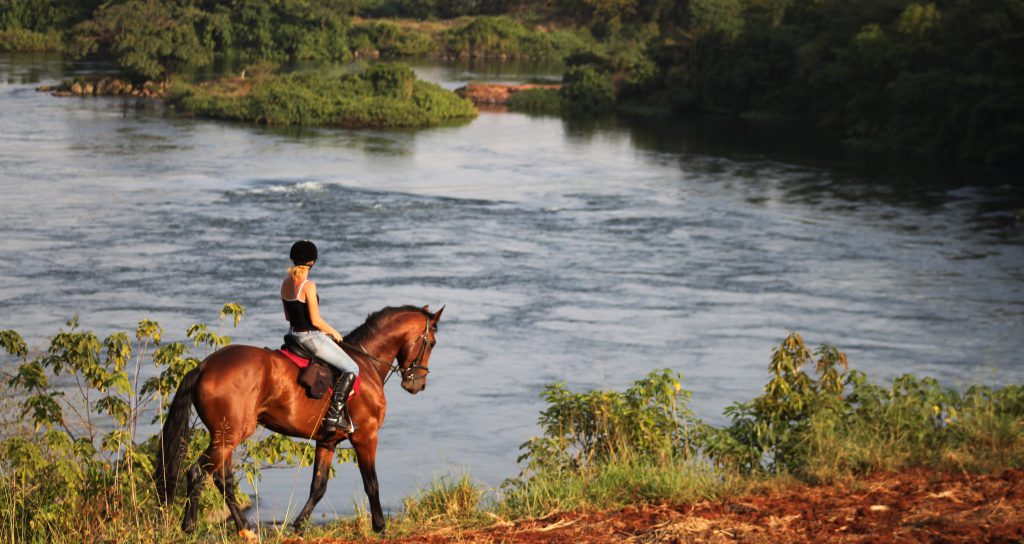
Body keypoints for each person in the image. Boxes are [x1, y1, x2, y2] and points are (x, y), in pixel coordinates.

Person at [282, 240, 358, 433]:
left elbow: (287, 316)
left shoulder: (285, 283)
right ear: (312, 262)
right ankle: (333, 416)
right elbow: (315, 321)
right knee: (352, 367)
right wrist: (333, 331)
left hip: (292, 335)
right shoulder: (308, 286)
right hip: (309, 338)